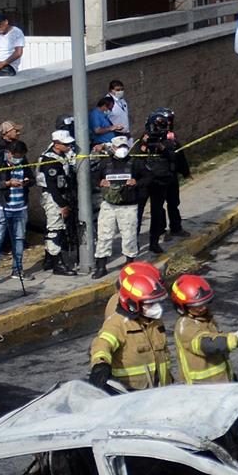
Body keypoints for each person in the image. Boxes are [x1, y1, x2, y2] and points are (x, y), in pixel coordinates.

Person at [169, 275, 238, 384]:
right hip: (202, 391)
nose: (203, 308)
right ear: (182, 307)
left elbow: (218, 343)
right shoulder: (185, 327)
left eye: (204, 303)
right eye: (197, 306)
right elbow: (208, 344)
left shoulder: (205, 319)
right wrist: (237, 340)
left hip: (220, 384)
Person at [89, 265, 170, 390]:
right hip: (131, 395)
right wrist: (100, 365)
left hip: (160, 392)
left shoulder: (155, 323)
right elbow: (102, 345)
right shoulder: (118, 323)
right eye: (150, 304)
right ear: (133, 305)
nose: (156, 307)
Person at [140, 107, 191, 253]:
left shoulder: (170, 140)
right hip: (148, 180)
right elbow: (136, 158)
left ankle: (173, 229)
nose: (166, 126)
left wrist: (185, 171)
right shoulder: (144, 138)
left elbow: (176, 156)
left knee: (172, 203)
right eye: (163, 123)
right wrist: (144, 145)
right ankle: (158, 232)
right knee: (150, 210)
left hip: (167, 177)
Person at [92, 137, 142, 278]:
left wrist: (136, 182)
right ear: (112, 148)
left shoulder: (135, 163)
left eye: (124, 146)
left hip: (128, 206)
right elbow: (94, 177)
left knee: (129, 236)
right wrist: (100, 181)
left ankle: (129, 265)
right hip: (109, 205)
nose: (122, 149)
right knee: (104, 236)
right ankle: (101, 267)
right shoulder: (105, 163)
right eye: (119, 146)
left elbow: (148, 177)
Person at [0, 140, 30, 288]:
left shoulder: (24, 162)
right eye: (16, 156)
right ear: (9, 153)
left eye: (21, 157)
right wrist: (7, 184)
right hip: (0, 207)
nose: (19, 159)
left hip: (20, 207)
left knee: (19, 239)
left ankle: (17, 270)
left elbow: (33, 179)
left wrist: (27, 181)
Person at [36, 129, 76, 274]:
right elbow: (52, 187)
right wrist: (63, 205)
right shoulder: (50, 161)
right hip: (54, 198)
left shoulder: (62, 155)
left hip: (61, 195)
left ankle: (48, 260)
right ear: (57, 144)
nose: (69, 146)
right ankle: (58, 264)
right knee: (55, 229)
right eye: (66, 144)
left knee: (57, 228)